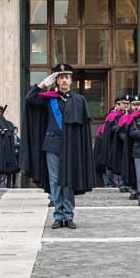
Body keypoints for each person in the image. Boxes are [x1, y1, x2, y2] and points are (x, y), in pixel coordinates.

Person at [22, 62, 95, 229]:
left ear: (71, 80)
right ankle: (58, 215)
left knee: (68, 180)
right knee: (55, 181)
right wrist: (43, 84)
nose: (64, 80)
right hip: (52, 145)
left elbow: (84, 127)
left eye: (66, 77)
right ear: (56, 80)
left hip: (72, 147)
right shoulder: (49, 100)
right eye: (60, 77)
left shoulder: (79, 100)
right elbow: (29, 99)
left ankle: (68, 215)